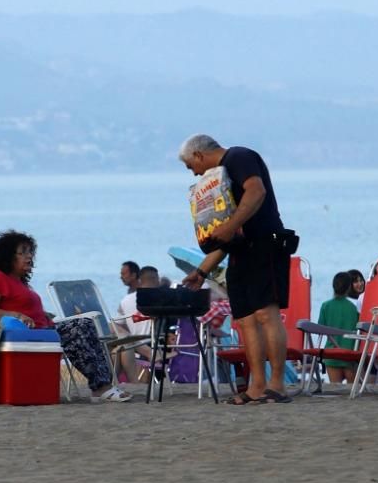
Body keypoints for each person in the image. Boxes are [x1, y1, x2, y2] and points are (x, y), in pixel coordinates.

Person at [179, 134, 294, 405]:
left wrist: (230, 226)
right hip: (240, 253)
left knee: (267, 313)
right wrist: (203, 270)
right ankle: (256, 385)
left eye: (190, 166)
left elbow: (257, 190)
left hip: (265, 245)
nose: (194, 173)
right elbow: (226, 237)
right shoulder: (219, 181)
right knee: (245, 320)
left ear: (198, 155)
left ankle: (277, 385)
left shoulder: (239, 157)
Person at [0, 230, 131, 402]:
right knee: (78, 329)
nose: (29, 257)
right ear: (8, 256)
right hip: (26, 336)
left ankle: (102, 385)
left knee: (86, 324)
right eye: (22, 253)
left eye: (30, 252)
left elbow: (22, 305)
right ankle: (101, 387)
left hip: (44, 330)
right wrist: (17, 315)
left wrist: (44, 315)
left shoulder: (19, 281)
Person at [113, 265, 161, 382]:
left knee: (119, 343)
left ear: (139, 279)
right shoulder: (162, 298)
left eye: (123, 274)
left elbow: (118, 324)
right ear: (156, 279)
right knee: (123, 343)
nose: (121, 277)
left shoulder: (126, 300)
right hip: (154, 344)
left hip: (136, 348)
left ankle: (112, 384)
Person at [317, 272, 359, 386]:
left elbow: (320, 329)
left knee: (336, 390)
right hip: (349, 354)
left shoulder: (325, 306)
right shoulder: (353, 308)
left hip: (332, 354)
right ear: (349, 287)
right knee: (352, 389)